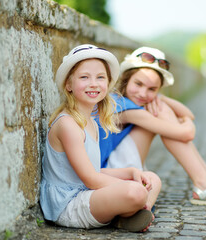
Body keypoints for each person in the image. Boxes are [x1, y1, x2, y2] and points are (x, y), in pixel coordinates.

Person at [97, 46, 206, 207]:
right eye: (138, 84)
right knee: (161, 112)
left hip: (114, 166)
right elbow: (187, 132)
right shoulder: (122, 106)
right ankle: (205, 183)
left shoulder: (130, 101)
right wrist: (181, 118)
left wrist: (162, 99)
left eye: (152, 89)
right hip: (108, 172)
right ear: (127, 79)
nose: (143, 93)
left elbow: (188, 114)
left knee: (161, 109)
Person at [39, 44, 161, 233]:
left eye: (100, 77)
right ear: (69, 85)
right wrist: (131, 185)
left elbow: (95, 171)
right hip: (69, 203)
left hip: (88, 193)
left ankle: (128, 213)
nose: (93, 83)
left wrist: (130, 172)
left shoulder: (93, 122)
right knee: (136, 191)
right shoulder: (68, 124)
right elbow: (90, 179)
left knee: (152, 178)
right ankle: (134, 209)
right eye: (84, 77)